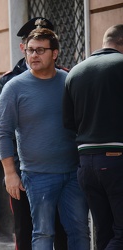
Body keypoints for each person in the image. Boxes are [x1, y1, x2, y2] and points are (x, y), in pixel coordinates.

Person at [0, 27, 90, 249]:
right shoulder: (13, 87)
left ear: (54, 53)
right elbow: (2, 131)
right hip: (37, 176)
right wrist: (10, 174)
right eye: (29, 51)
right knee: (43, 233)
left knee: (79, 232)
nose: (33, 55)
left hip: (73, 174)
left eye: (40, 50)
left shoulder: (69, 81)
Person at [63, 24, 123, 250]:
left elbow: (68, 123)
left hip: (86, 164)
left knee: (103, 231)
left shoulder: (75, 72)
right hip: (117, 159)